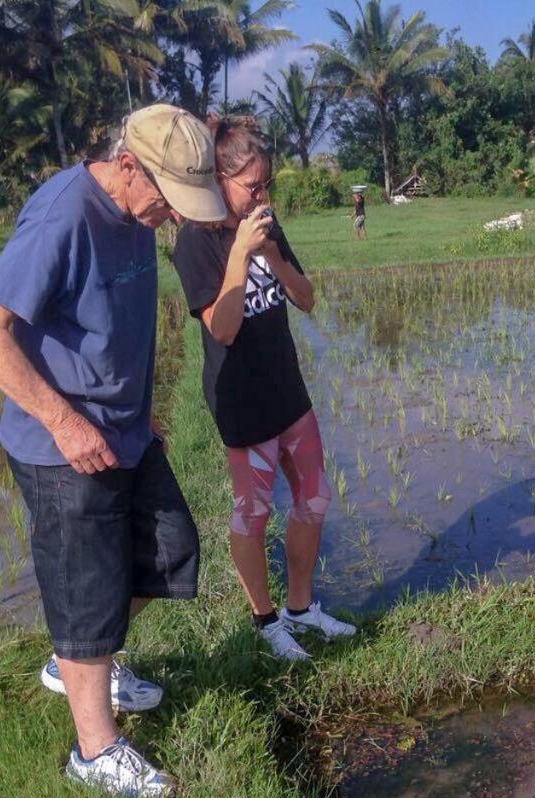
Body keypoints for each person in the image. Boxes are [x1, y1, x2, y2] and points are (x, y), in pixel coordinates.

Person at [0, 105, 228, 798]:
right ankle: (94, 750)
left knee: (169, 550)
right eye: (168, 199)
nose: (170, 215)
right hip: (63, 446)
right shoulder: (65, 215)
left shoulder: (135, 215)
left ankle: (83, 659)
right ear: (129, 165)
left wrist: (139, 414)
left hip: (126, 432)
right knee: (86, 590)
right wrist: (63, 421)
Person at [170, 116, 354, 661]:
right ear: (219, 180)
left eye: (266, 184)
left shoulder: (267, 225)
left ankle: (300, 608)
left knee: (314, 497)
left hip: (287, 386)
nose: (262, 195)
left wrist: (271, 253)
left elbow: (306, 297)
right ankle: (265, 620)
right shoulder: (193, 243)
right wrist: (239, 255)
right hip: (241, 398)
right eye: (253, 186)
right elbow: (222, 327)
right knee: (252, 512)